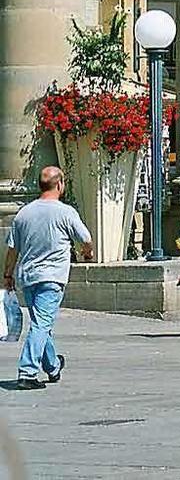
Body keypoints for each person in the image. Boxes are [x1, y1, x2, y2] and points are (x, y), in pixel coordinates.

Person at [2, 166, 93, 389]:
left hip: (28, 277)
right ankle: (27, 372)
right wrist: (87, 253)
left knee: (41, 324)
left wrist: (7, 275)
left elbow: (12, 249)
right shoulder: (65, 212)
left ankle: (52, 366)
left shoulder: (23, 213)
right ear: (60, 184)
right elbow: (86, 238)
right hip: (52, 278)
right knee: (42, 325)